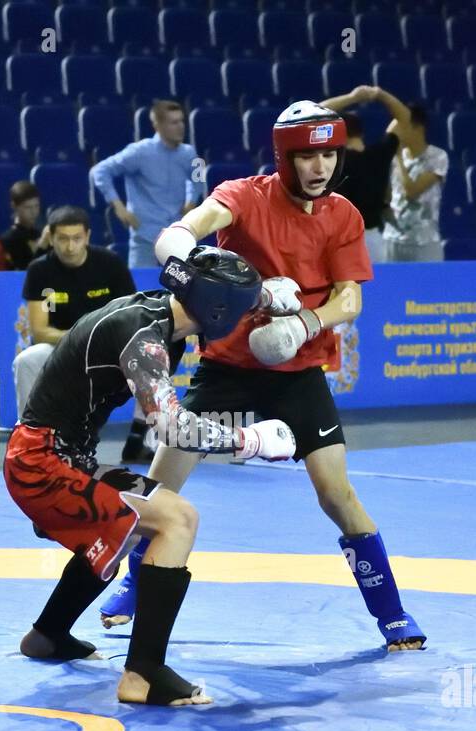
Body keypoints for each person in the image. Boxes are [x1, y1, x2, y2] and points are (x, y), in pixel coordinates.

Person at [98, 101, 427, 652]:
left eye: (329, 154)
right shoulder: (244, 195)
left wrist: (305, 324)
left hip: (299, 373)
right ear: (284, 157)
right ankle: (135, 579)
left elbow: (351, 299)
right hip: (226, 368)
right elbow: (193, 226)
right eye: (308, 156)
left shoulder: (343, 214)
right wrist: (182, 247)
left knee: (336, 494)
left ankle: (392, 612)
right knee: (160, 485)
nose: (320, 166)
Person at [4, 246, 297, 706]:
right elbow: (172, 427)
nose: (244, 319)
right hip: (42, 465)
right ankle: (143, 674)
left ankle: (47, 636)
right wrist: (251, 442)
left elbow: (211, 291)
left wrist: (267, 297)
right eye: (240, 310)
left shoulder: (167, 311)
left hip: (56, 456)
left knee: (119, 530)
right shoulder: (144, 339)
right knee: (177, 519)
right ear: (218, 311)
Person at [16, 206, 149, 462]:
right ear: (51, 238)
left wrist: (103, 342)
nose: (69, 246)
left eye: (76, 238)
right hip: (60, 347)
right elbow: (40, 331)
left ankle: (137, 440)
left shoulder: (110, 265)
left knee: (151, 357)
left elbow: (130, 315)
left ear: (87, 236)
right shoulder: (39, 271)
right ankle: (29, 440)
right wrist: (80, 338)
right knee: (26, 360)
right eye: (62, 239)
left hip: (108, 349)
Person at [90, 99, 201, 268]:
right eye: (174, 122)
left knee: (185, 290)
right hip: (145, 236)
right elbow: (100, 170)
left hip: (177, 235)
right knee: (140, 290)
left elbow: (199, 179)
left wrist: (191, 202)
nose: (181, 127)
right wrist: (119, 207)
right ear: (158, 126)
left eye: (182, 121)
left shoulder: (190, 152)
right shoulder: (139, 152)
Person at [320, 85, 415, 264]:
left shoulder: (334, 159)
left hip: (337, 240)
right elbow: (405, 118)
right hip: (372, 241)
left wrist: (352, 97)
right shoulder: (380, 154)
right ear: (361, 133)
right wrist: (380, 94)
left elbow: (314, 113)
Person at [380, 101, 449, 263]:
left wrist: (397, 155)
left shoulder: (438, 157)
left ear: (418, 128)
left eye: (402, 126)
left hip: (425, 242)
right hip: (392, 240)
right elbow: (386, 195)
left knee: (429, 289)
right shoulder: (391, 157)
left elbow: (411, 191)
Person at [0, 181, 51, 270]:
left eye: (36, 206)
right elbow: (24, 272)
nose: (34, 212)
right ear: (14, 206)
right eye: (28, 207)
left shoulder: (38, 234)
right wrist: (41, 248)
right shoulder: (8, 239)